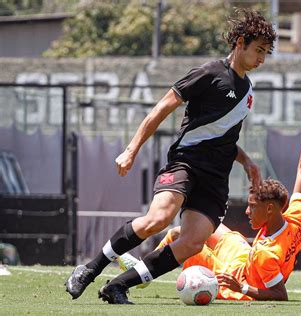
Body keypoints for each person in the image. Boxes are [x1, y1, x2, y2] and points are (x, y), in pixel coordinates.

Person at [65, 9, 276, 304]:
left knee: (192, 242)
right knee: (158, 218)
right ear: (240, 42)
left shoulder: (247, 91)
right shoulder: (209, 73)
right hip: (185, 163)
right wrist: (131, 149)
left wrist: (248, 163)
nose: (262, 59)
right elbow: (162, 108)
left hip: (215, 179)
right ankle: (89, 269)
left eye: (266, 53)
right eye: (258, 50)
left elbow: (225, 138)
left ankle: (117, 286)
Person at [119, 94, 301, 301]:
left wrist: (242, 288)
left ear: (270, 209)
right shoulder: (294, 217)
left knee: (179, 237)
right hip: (243, 256)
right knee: (191, 229)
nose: (247, 211)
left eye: (252, 207)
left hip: (233, 277)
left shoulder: (266, 255)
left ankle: (143, 274)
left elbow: (279, 295)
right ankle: (144, 270)